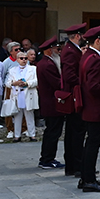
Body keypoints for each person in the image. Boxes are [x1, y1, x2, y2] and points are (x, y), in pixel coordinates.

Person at [77, 24, 100, 192]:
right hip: (96, 106)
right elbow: (93, 86)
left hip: (90, 106)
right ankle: (89, 180)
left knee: (90, 142)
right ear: (97, 41)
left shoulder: (87, 56)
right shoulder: (95, 59)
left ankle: (85, 177)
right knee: (93, 143)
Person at [61, 23, 88, 177]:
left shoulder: (70, 49)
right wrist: (84, 83)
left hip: (73, 95)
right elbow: (70, 75)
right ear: (78, 36)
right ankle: (77, 166)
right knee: (77, 132)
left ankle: (72, 165)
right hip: (74, 95)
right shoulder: (71, 51)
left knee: (73, 132)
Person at [35, 36, 65, 169]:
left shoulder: (46, 62)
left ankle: (48, 158)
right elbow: (57, 83)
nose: (58, 51)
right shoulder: (47, 65)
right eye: (56, 49)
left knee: (52, 131)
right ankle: (47, 159)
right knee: (53, 132)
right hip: (51, 103)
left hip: (49, 102)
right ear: (49, 50)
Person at [6, 51, 38, 141]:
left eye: (25, 58)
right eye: (21, 58)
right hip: (17, 94)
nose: (24, 60)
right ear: (17, 60)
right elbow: (7, 83)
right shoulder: (12, 70)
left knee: (30, 115)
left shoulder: (33, 69)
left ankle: (32, 134)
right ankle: (17, 135)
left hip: (28, 93)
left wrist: (27, 83)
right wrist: (14, 83)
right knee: (17, 116)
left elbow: (36, 81)